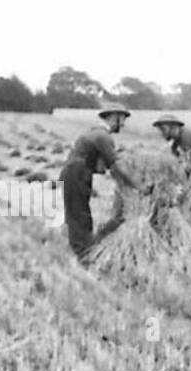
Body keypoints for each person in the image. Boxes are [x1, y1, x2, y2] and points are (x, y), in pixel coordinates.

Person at [59, 104, 140, 261]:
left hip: (77, 172)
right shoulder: (103, 137)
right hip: (77, 172)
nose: (123, 124)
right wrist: (137, 185)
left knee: (79, 213)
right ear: (112, 117)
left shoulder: (95, 133)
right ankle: (84, 256)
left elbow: (102, 165)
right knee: (79, 215)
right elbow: (117, 166)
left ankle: (83, 251)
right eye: (121, 120)